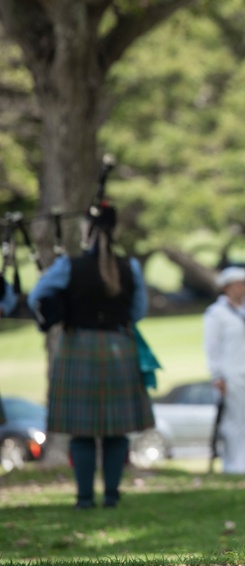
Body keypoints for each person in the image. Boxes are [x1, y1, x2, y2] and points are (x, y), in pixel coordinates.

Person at [28, 201, 154, 509]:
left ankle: (85, 498)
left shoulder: (68, 266)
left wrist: (55, 314)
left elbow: (35, 297)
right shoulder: (130, 267)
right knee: (116, 430)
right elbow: (138, 311)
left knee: (81, 432)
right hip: (118, 347)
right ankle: (111, 496)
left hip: (78, 347)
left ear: (89, 228)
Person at [203, 266, 245, 474]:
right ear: (227, 288)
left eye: (244, 284)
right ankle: (233, 465)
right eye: (237, 285)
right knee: (232, 422)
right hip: (231, 373)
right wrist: (217, 374)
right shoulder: (216, 314)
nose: (242, 289)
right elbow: (212, 347)